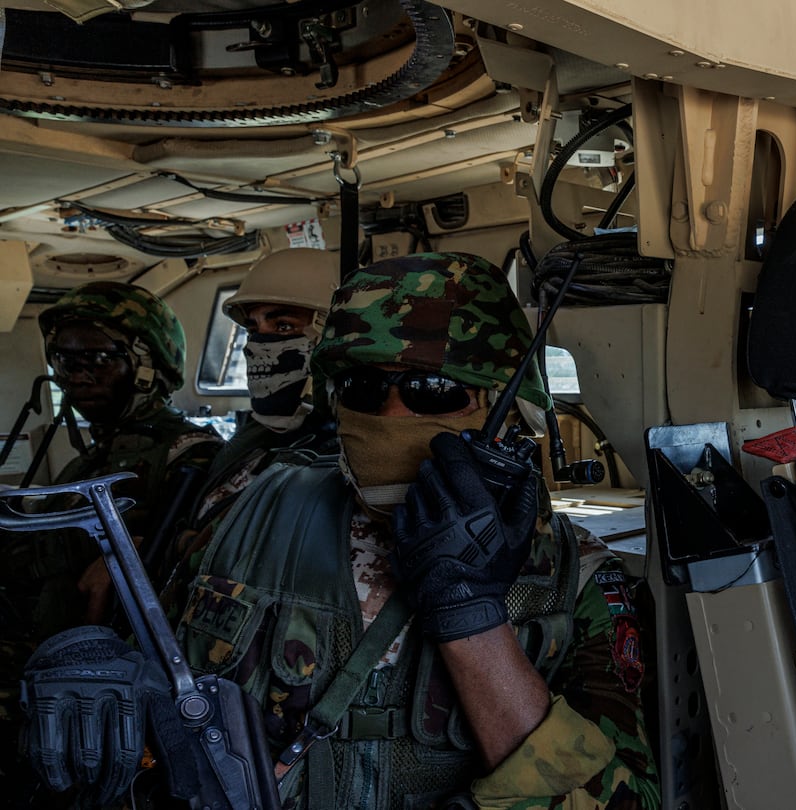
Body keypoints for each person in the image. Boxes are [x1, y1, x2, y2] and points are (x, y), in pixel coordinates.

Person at [20, 253, 657, 809]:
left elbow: (619, 799)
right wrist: (102, 668)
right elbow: (157, 662)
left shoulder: (572, 583)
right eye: (360, 386)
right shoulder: (248, 504)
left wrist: (473, 621)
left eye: (434, 390)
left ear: (506, 409)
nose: (391, 414)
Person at [0, 281, 222, 800]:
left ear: (147, 364)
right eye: (65, 356)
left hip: (106, 661)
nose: (77, 371)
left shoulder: (189, 456)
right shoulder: (86, 461)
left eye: (99, 355)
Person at [160, 248, 341, 612]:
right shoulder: (253, 441)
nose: (259, 344)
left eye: (284, 326)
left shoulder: (349, 453)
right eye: (253, 329)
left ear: (331, 334)